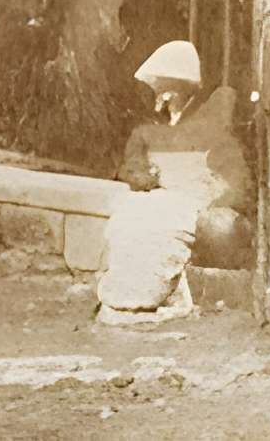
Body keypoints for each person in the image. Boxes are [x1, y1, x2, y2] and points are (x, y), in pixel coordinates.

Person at [95, 40, 251, 324]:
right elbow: (132, 170)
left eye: (168, 93)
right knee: (131, 219)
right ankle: (127, 292)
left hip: (197, 205)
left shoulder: (217, 137)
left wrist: (206, 194)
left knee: (170, 225)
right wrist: (150, 180)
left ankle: (150, 291)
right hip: (164, 198)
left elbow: (235, 186)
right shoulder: (150, 132)